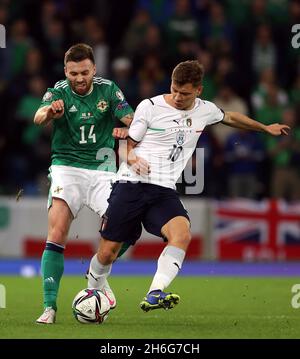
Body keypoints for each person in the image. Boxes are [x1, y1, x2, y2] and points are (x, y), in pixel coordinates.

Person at [86, 60, 290, 312]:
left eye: (185, 93)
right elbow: (127, 144)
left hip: (163, 190)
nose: (178, 97)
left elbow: (230, 117)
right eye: (174, 89)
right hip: (131, 184)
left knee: (181, 234)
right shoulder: (150, 107)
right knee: (108, 253)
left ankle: (154, 293)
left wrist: (264, 128)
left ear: (199, 91)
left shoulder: (205, 110)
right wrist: (134, 160)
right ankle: (93, 289)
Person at [34, 43, 134, 324]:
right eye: (74, 73)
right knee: (58, 230)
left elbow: (132, 119)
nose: (79, 78)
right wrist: (49, 113)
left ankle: (96, 276)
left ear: (94, 69)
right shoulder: (58, 91)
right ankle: (49, 307)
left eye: (85, 72)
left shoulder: (109, 89)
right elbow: (38, 116)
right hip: (67, 167)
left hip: (103, 169)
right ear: (66, 71)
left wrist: (130, 128)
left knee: (126, 228)